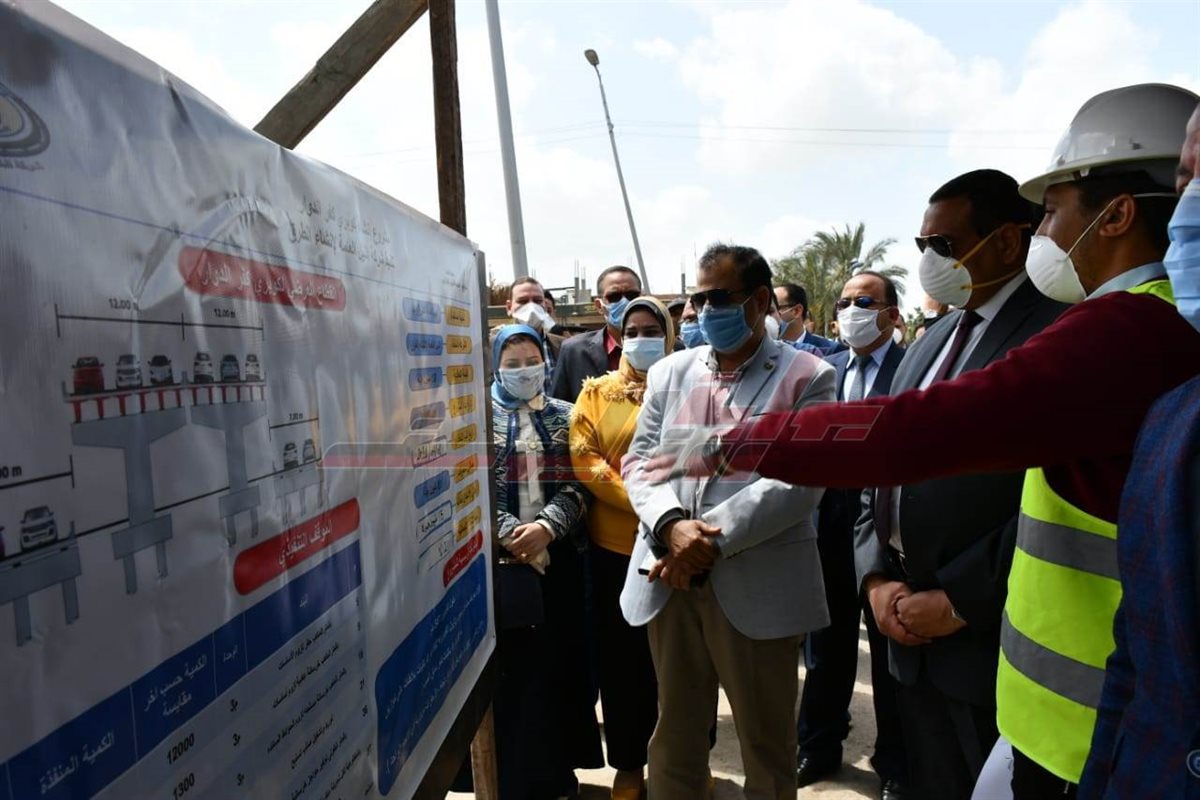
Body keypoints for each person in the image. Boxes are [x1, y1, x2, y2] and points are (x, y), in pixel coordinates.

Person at [648, 83, 1200, 800]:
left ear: (1117, 215)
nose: (1042, 231)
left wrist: (740, 442)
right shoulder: (1092, 324)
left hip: (1084, 729)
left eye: (1051, 210)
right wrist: (877, 575)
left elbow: (914, 430)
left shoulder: (1129, 329)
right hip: (1044, 706)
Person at [857, 169, 1067, 800]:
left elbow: (1057, 500)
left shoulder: (1059, 335)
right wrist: (875, 578)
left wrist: (959, 601)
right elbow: (879, 468)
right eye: (923, 245)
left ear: (1007, 242)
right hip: (904, 628)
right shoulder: (932, 339)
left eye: (943, 245)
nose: (929, 261)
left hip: (986, 639)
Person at [620, 244, 835, 800]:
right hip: (668, 577)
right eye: (698, 299)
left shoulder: (809, 375)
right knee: (675, 735)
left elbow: (799, 481)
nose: (703, 310)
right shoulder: (670, 372)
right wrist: (671, 527)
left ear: (759, 300)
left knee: (766, 745)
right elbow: (639, 462)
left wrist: (706, 541)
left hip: (757, 582)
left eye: (718, 298)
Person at [1078, 101, 1200, 800]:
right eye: (1186, 182)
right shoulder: (1173, 414)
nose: (1192, 207)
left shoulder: (1129, 332)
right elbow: (1138, 658)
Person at [796, 271, 909, 800]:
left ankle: (896, 761)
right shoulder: (828, 369)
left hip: (886, 526)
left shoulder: (912, 368)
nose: (849, 312)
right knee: (826, 644)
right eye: (843, 303)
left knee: (887, 650)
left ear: (891, 313)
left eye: (863, 301)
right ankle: (818, 746)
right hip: (829, 524)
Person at [490, 324, 603, 799]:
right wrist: (508, 533)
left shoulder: (568, 414)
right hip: (500, 567)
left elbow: (583, 481)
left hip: (560, 563)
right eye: (512, 364)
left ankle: (558, 775)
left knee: (560, 667)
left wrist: (546, 529)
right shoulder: (474, 417)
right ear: (495, 366)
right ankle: (513, 781)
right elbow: (464, 486)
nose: (523, 371)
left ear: (546, 362)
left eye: (531, 361)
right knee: (513, 675)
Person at [569, 297, 676, 800]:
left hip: (678, 546)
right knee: (624, 663)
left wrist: (670, 515)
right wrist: (646, 504)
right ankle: (630, 764)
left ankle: (683, 761)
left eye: (652, 329)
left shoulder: (692, 386)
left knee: (682, 660)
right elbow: (585, 459)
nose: (641, 338)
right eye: (632, 330)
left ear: (668, 334)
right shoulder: (597, 392)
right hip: (616, 547)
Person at [504, 277, 563, 393]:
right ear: (509, 307)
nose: (531, 308)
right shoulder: (490, 349)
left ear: (545, 305)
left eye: (537, 301)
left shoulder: (563, 346)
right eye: (523, 301)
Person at [775, 282, 845, 354]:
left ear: (797, 311)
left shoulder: (831, 350)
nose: (769, 316)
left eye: (774, 309)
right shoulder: (768, 350)